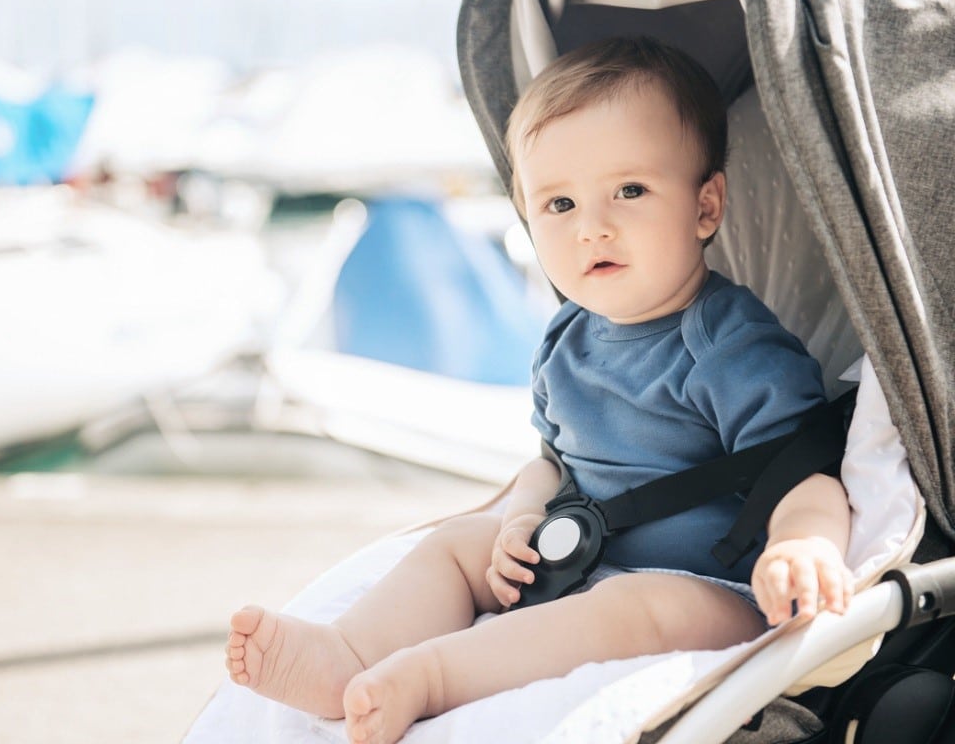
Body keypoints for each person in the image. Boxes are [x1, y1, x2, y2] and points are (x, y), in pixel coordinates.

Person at [224, 36, 854, 744]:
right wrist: (521, 518)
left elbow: (806, 471)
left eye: (630, 191)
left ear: (705, 207)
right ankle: (347, 652)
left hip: (710, 594)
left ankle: (429, 676)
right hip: (576, 559)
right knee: (458, 545)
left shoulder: (729, 343)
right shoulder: (566, 339)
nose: (593, 227)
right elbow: (552, 463)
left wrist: (803, 547)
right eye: (559, 204)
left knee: (634, 604)